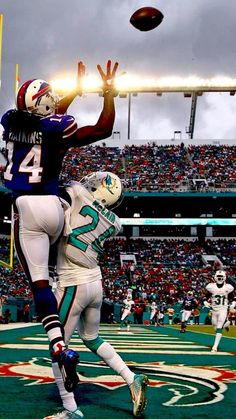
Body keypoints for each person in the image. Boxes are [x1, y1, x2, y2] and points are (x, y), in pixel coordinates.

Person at [1, 60, 119, 392]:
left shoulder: (10, 122)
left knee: (39, 283)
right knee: (70, 203)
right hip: (55, 206)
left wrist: (74, 93)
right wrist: (108, 94)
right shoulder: (55, 129)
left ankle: (58, 344)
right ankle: (73, 290)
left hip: (26, 207)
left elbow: (42, 117)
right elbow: (102, 129)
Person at [44, 172, 148, 419]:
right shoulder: (114, 221)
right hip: (95, 283)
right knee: (91, 338)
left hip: (73, 282)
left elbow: (53, 198)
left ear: (101, 184)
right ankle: (131, 378)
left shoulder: (77, 193)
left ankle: (71, 410)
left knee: (58, 348)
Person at [204, 270, 234, 353]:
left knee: (218, 328)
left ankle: (215, 347)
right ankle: (225, 325)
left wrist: (233, 304)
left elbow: (233, 297)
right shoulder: (211, 287)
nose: (220, 278)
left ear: (224, 278)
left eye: (221, 277)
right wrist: (205, 301)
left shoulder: (228, 287)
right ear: (215, 277)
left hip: (223, 309)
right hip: (214, 310)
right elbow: (206, 296)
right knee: (215, 327)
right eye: (218, 277)